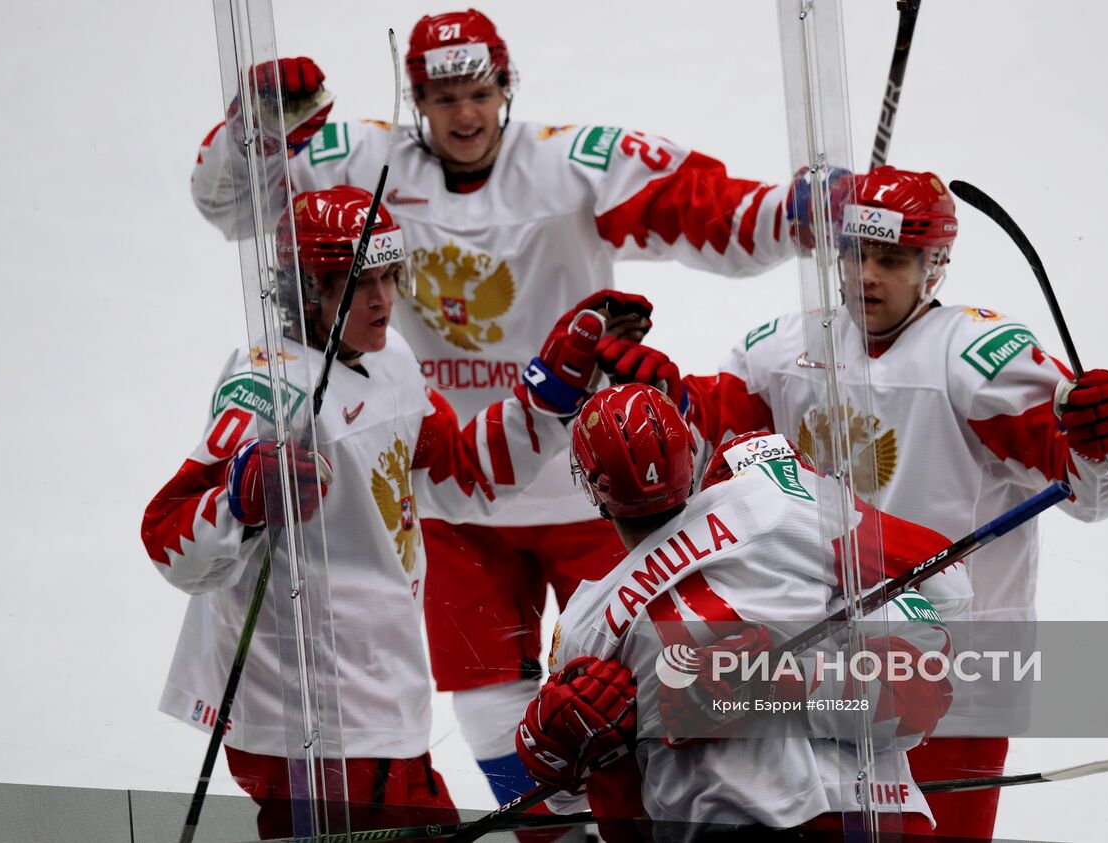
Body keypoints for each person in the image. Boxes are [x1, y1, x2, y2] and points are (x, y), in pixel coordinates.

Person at [189, 8, 802, 803]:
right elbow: (237, 212)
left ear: (506, 86)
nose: (466, 115)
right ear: (416, 101)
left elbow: (719, 217)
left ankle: (649, 815)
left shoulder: (572, 163)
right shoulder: (360, 162)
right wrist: (254, 130)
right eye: (444, 100)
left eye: (479, 92)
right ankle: (555, 826)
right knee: (484, 706)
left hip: (594, 480)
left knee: (639, 681)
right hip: (456, 480)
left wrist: (811, 211)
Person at [596, 166, 1108, 839]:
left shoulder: (975, 355)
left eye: (891, 259)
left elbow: (1094, 491)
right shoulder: (786, 347)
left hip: (959, 668)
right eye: (855, 254)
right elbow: (716, 439)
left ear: (935, 265)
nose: (866, 276)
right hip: (822, 666)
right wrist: (668, 392)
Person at [140, 186, 619, 838]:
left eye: (390, 276)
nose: (383, 298)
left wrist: (548, 397)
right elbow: (168, 535)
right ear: (306, 289)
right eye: (358, 281)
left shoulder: (390, 359)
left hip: (378, 699)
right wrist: (239, 501)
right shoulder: (269, 385)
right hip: (309, 720)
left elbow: (459, 475)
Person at [515, 384, 974, 841]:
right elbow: (949, 586)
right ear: (690, 459)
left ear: (592, 486)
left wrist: (547, 748)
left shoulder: (583, 622)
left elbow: (569, 800)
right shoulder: (780, 503)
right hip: (873, 813)